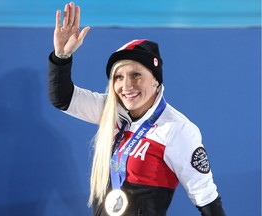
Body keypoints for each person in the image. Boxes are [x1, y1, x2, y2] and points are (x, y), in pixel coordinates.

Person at [48, 2, 226, 216]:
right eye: (118, 77)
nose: (126, 86)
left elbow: (208, 201)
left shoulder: (177, 129)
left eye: (136, 75)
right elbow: (63, 98)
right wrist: (61, 57)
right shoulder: (111, 110)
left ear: (156, 81)